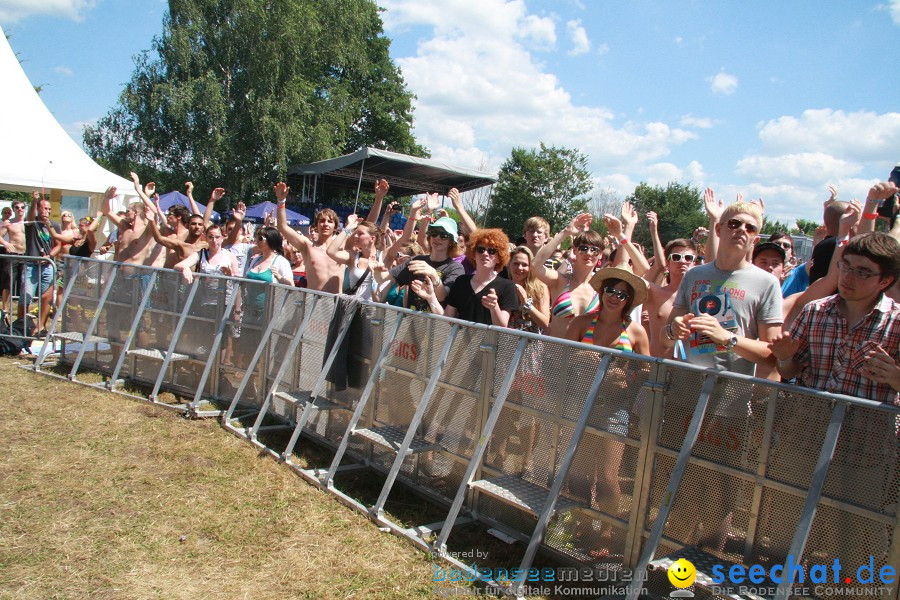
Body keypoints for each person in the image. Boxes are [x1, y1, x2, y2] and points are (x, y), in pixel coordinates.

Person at [770, 232, 900, 403]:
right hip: (810, 423)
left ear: (885, 281)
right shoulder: (815, 311)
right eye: (845, 266)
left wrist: (893, 375)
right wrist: (785, 358)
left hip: (867, 427)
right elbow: (789, 372)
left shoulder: (896, 322)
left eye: (862, 272)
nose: (848, 276)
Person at [411, 228, 517, 326]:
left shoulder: (507, 286)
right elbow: (447, 319)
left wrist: (494, 308)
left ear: (500, 258)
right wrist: (431, 298)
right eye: (480, 249)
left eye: (492, 251)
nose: (485, 254)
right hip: (461, 344)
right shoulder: (461, 282)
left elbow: (502, 325)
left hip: (488, 345)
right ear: (474, 254)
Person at [374, 214, 465, 313]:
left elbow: (442, 296)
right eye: (434, 233)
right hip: (411, 322)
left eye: (443, 236)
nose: (437, 238)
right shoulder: (416, 260)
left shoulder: (456, 268)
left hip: (438, 325)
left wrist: (434, 275)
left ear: (451, 241)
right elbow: (381, 278)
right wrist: (376, 271)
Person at [533, 213, 603, 338]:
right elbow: (535, 266)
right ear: (575, 250)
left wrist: (625, 233)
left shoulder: (602, 286)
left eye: (594, 249)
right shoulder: (560, 280)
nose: (589, 253)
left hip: (586, 355)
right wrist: (566, 232)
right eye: (583, 248)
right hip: (555, 353)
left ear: (600, 254)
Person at [274, 182, 344, 293]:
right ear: (316, 225)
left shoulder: (342, 247)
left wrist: (378, 198)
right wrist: (281, 201)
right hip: (314, 303)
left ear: (335, 226)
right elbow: (282, 227)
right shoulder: (308, 246)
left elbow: (369, 227)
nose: (325, 224)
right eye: (321, 221)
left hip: (336, 305)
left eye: (330, 221)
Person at [19, 191, 61, 336]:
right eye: (43, 208)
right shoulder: (32, 222)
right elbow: (30, 217)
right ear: (38, 208)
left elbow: (58, 245)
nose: (46, 211)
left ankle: (40, 327)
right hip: (31, 264)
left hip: (47, 265)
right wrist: (34, 201)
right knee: (26, 296)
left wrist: (49, 256)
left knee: (46, 298)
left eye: (49, 209)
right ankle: (21, 325)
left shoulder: (54, 225)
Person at [326, 214, 377, 300]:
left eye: (360, 233)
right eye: (355, 233)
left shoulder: (383, 256)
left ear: (372, 238)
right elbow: (330, 251)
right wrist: (349, 227)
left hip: (375, 310)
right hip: (354, 309)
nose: (355, 236)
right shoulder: (353, 256)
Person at [507, 246, 550, 333]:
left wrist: (526, 304)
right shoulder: (504, 286)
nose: (520, 268)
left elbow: (545, 323)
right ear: (509, 264)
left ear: (531, 267)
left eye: (525, 265)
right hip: (506, 341)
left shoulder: (540, 288)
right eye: (516, 263)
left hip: (530, 343)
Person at [0, 199, 27, 316]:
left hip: (26, 255)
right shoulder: (9, 222)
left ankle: (24, 310)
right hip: (13, 255)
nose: (20, 209)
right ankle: (4, 308)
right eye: (17, 207)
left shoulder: (28, 222)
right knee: (9, 282)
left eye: (22, 207)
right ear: (14, 209)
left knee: (25, 283)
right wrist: (6, 244)